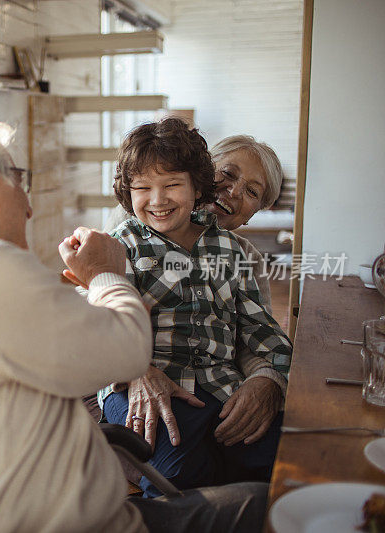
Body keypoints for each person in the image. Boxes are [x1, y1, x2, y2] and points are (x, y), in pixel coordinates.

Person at [0, 116, 268, 532]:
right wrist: (104, 273)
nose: (27, 206)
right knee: (261, 505)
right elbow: (128, 352)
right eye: (17, 179)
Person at [96, 118, 292, 498]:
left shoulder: (235, 253)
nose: (234, 192)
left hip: (216, 385)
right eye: (229, 174)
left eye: (252, 191)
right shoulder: (124, 236)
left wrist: (269, 379)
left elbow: (261, 337)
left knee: (279, 456)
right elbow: (96, 321)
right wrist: (135, 369)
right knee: (179, 472)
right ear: (207, 170)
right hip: (147, 377)